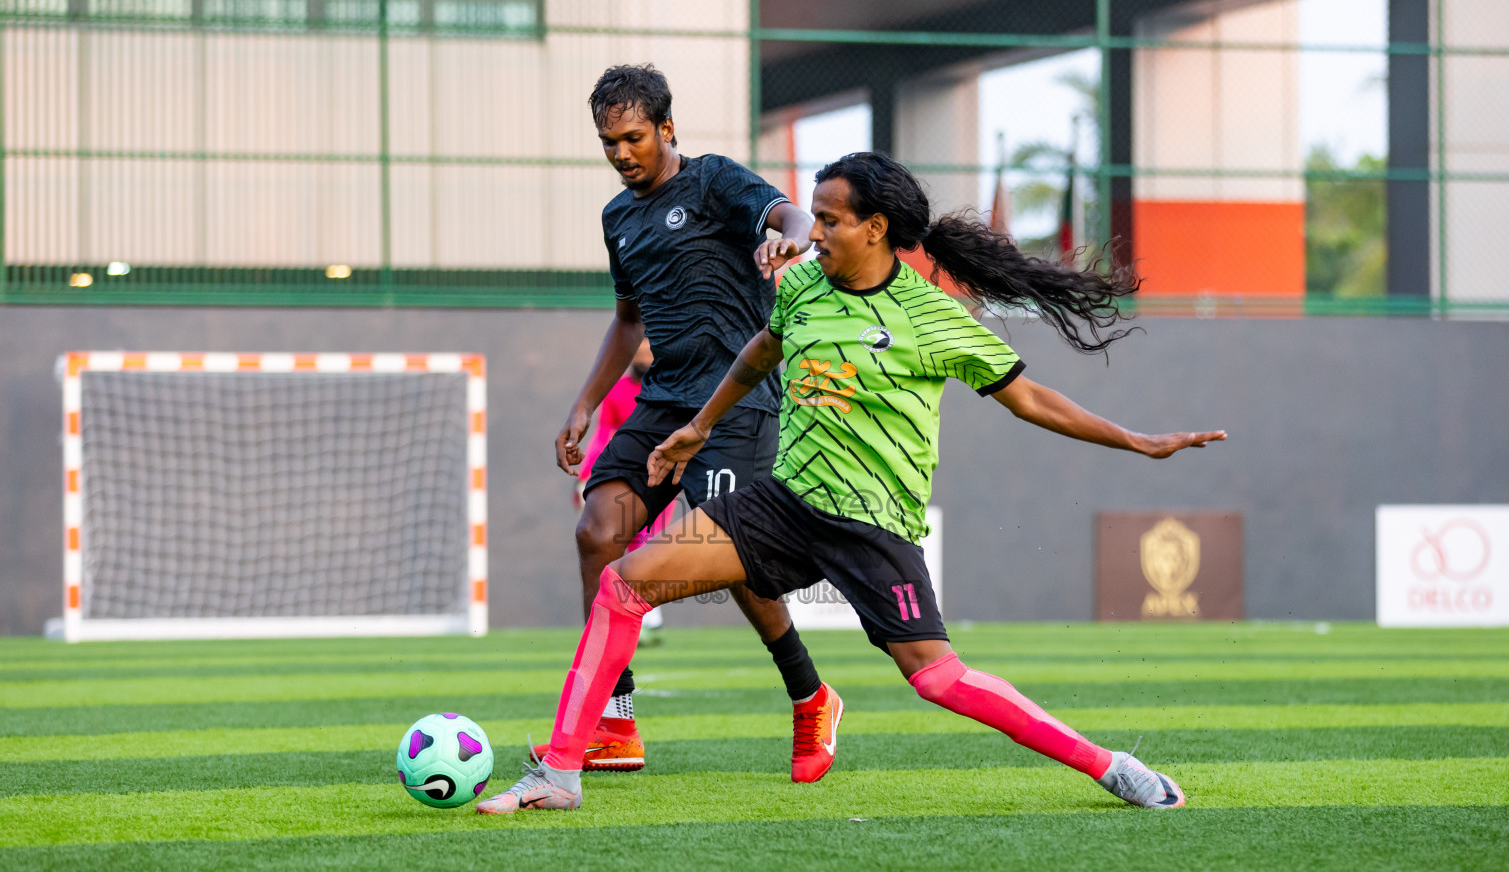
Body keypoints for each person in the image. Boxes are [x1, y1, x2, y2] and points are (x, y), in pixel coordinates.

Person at [480, 151, 1226, 815]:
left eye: (831, 220)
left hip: (871, 525)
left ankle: (1110, 766)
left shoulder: (934, 318)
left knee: (937, 679)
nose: (818, 230)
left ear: (874, 228)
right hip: (783, 503)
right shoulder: (803, 286)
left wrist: (1135, 440)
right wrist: (700, 426)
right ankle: (562, 772)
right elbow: (760, 353)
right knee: (623, 585)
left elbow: (1029, 399)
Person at [534, 63, 840, 782]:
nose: (620, 153)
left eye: (632, 137)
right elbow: (627, 320)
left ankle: (810, 693)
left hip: (736, 401)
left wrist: (790, 239)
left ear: (666, 128)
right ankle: (616, 723)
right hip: (664, 401)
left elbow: (793, 215)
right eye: (608, 142)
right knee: (595, 531)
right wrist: (583, 404)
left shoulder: (714, 182)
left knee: (726, 556)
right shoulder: (619, 219)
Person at [574, 339, 671, 653]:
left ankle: (651, 619)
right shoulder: (617, 391)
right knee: (621, 546)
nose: (643, 356)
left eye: (648, 351)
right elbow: (605, 432)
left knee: (650, 545)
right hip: (626, 476)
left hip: (661, 477)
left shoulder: (667, 387)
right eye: (638, 351)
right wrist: (589, 472)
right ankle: (630, 620)